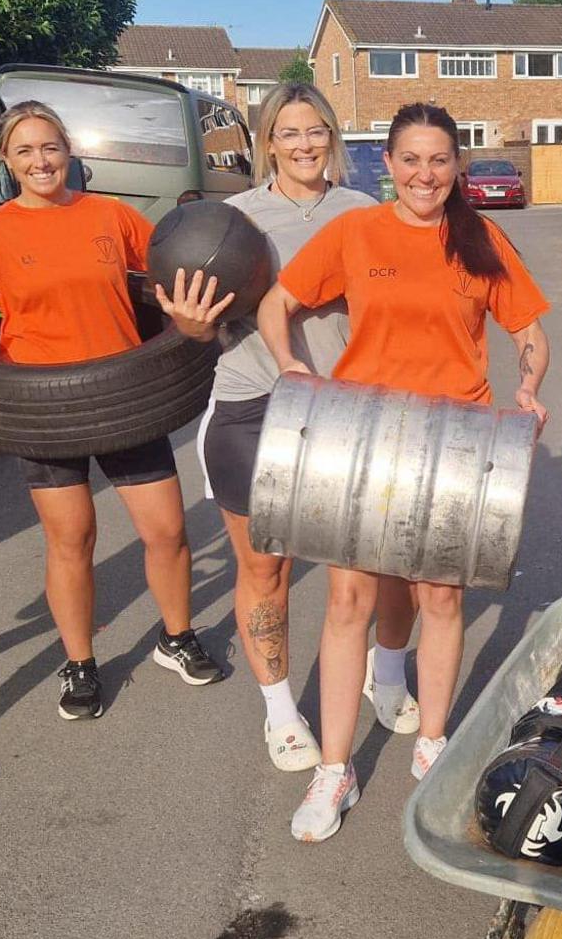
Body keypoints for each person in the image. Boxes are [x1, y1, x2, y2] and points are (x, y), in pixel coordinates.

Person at [244, 102, 550, 842]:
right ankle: (335, 771)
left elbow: (530, 335)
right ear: (389, 163)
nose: (425, 173)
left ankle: (433, 746)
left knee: (440, 601)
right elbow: (275, 304)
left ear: (456, 168)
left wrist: (529, 390)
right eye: (411, 159)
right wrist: (291, 365)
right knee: (348, 602)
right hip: (364, 436)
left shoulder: (482, 240)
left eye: (439, 160)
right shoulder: (355, 232)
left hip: (456, 440)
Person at [0, 101, 226, 721]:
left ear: (68, 150)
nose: (40, 161)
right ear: (7, 161)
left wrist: (191, 322)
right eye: (24, 151)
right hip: (43, 410)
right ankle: (80, 662)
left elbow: (166, 279)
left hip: (126, 398)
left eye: (49, 147)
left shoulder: (111, 216)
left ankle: (176, 637)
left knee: (166, 531)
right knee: (72, 538)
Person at [166, 83, 418, 772]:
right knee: (264, 567)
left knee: (375, 563)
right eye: (289, 132)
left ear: (331, 137)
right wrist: (190, 326)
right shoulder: (231, 221)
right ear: (266, 142)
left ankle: (386, 671)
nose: (304, 144)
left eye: (316, 131)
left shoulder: (367, 212)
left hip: (350, 409)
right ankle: (279, 712)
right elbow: (193, 322)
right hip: (253, 406)